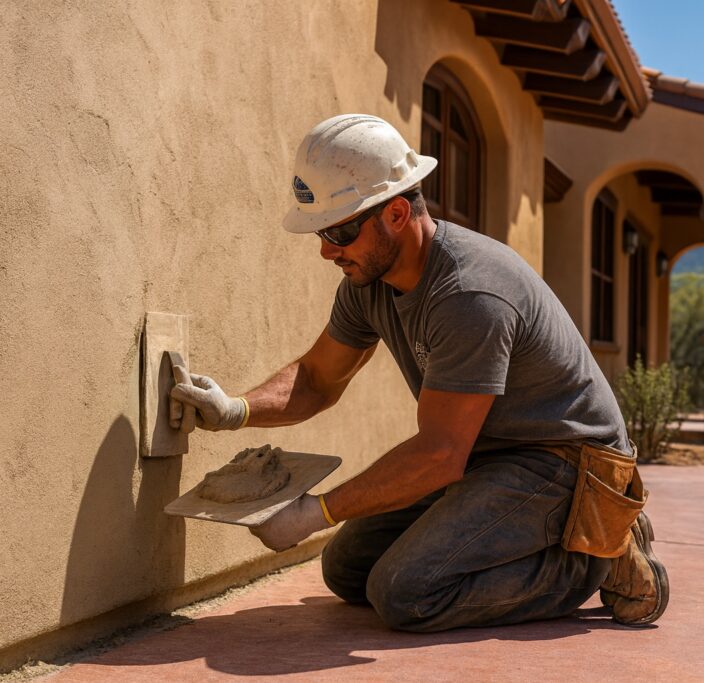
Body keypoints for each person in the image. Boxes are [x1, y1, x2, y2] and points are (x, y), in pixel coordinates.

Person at [170, 114, 669, 631]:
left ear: (397, 213)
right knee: (348, 571)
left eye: (340, 230)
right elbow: (318, 379)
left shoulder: (470, 294)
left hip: (563, 461)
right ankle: (565, 542)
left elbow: (438, 455)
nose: (326, 250)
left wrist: (313, 513)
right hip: (486, 454)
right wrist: (236, 410)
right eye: (321, 231)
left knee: (406, 593)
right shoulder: (368, 284)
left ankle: (597, 551)